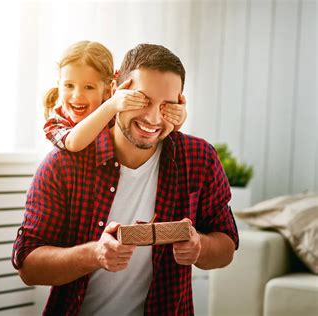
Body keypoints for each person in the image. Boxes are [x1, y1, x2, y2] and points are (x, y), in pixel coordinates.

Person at [12, 43, 239, 315]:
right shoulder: (63, 164)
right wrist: (94, 254)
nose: (152, 118)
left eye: (166, 106)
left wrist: (199, 246)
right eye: (141, 101)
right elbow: (28, 265)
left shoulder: (198, 158)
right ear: (116, 93)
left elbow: (227, 246)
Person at [43, 40, 187, 152]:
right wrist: (112, 104)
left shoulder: (118, 113)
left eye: (89, 87)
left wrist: (178, 117)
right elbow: (73, 143)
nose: (77, 95)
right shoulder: (56, 123)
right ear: (59, 84)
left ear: (107, 91)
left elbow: (156, 125)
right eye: (69, 85)